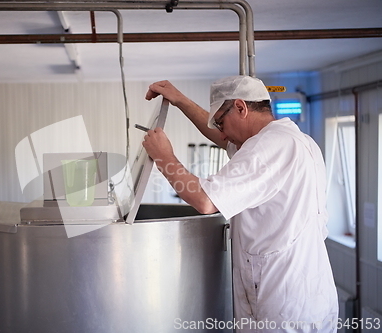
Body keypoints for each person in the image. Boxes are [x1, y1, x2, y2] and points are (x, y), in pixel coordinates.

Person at [142, 75, 338, 333]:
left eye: (221, 122)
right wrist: (180, 101)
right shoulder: (296, 140)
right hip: (311, 297)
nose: (222, 133)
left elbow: (205, 200)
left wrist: (163, 157)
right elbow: (226, 139)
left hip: (280, 308)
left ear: (241, 107)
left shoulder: (267, 147)